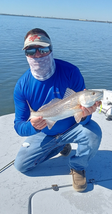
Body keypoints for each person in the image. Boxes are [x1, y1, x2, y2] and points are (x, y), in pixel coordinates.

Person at [13, 28, 102, 192]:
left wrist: (84, 116)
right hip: (45, 132)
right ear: (26, 54)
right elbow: (19, 126)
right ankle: (59, 146)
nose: (38, 55)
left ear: (51, 50)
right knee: (21, 165)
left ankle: (77, 166)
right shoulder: (22, 86)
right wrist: (33, 126)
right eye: (31, 51)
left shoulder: (70, 72)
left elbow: (82, 117)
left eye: (43, 49)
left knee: (93, 133)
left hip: (71, 129)